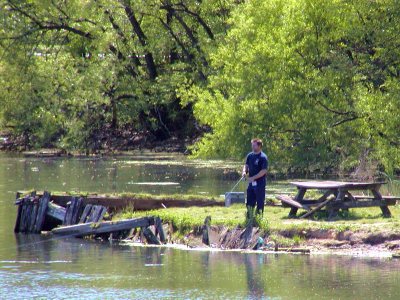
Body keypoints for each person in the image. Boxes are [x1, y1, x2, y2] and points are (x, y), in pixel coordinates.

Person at [242, 138, 269, 221]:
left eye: (254, 145)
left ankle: (259, 219)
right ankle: (249, 218)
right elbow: (246, 165)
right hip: (251, 183)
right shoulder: (250, 155)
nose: (252, 146)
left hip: (260, 183)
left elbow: (264, 171)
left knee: (260, 202)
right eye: (252, 145)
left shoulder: (263, 157)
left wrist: (253, 178)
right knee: (249, 201)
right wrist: (244, 172)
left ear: (259, 146)